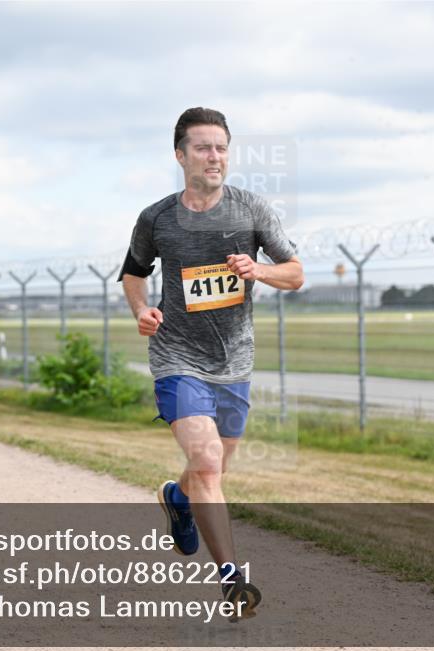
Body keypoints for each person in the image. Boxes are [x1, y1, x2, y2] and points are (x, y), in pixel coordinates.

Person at [119, 107, 304, 621]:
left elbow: (295, 272)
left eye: (221, 147)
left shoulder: (251, 210)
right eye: (203, 147)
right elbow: (133, 274)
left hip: (234, 363)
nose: (214, 156)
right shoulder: (156, 218)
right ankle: (232, 581)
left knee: (212, 470)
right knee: (206, 461)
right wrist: (142, 310)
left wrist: (259, 271)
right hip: (177, 355)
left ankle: (178, 499)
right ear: (180, 156)